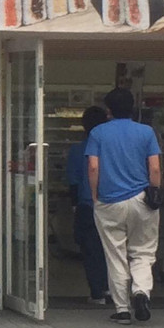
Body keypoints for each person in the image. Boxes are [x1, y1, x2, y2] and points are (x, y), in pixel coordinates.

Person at [86, 87, 162, 325]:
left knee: (115, 254)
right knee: (143, 251)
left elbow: (94, 168)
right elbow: (155, 168)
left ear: (108, 110)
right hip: (142, 199)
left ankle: (122, 309)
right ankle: (141, 291)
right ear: (133, 108)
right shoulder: (146, 132)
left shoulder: (98, 133)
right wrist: (154, 192)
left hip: (109, 201)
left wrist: (95, 195)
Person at [67, 105, 111, 304]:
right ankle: (113, 289)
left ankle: (97, 292)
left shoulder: (78, 150)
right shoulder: (112, 149)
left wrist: (74, 205)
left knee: (91, 250)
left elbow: (74, 181)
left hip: (88, 205)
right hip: (113, 204)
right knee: (113, 249)